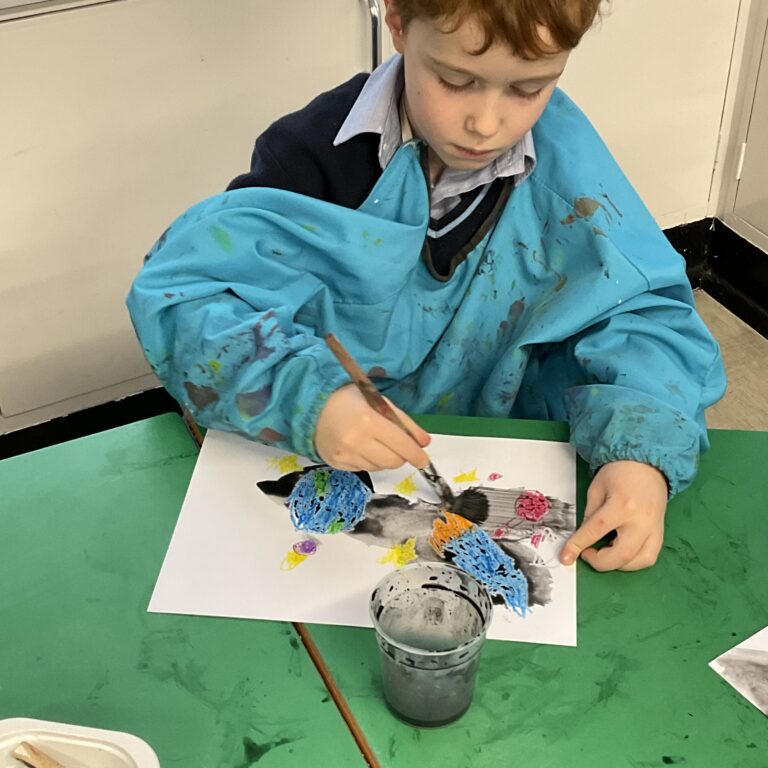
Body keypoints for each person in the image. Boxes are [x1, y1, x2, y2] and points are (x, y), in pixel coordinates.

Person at [127, 0, 726, 573]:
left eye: (528, 89)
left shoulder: (565, 157)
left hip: (503, 460)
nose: (486, 124)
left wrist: (640, 452)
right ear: (396, 19)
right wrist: (309, 398)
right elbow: (188, 301)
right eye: (456, 80)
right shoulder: (309, 160)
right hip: (324, 463)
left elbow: (641, 312)